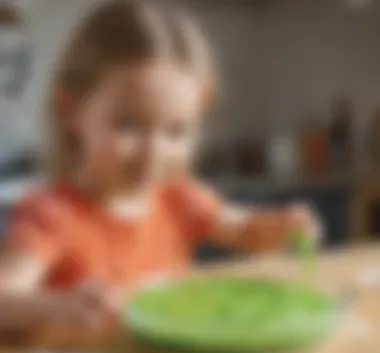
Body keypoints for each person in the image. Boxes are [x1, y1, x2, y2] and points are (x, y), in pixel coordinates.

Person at [0, 0, 319, 332]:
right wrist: (56, 306)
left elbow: (248, 232)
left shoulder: (177, 198)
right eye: (128, 125)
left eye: (176, 131)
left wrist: (284, 226)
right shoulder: (51, 216)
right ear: (70, 111)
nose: (154, 152)